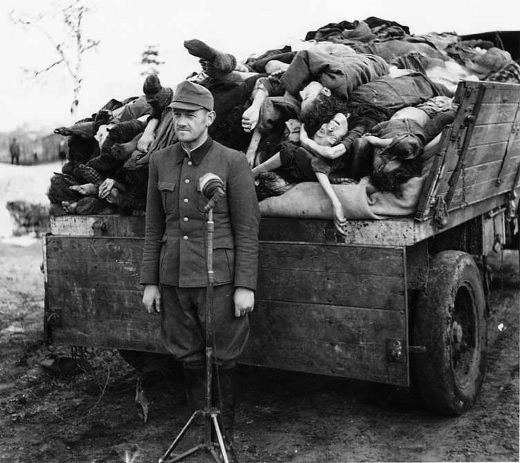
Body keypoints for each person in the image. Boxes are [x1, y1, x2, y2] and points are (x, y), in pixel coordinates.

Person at [140, 80, 260, 443]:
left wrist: (244, 286)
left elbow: (247, 229)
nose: (181, 121)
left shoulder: (232, 161)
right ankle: (201, 432)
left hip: (220, 281)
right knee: (187, 354)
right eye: (176, 114)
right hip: (174, 277)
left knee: (223, 356)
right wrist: (150, 281)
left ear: (209, 117)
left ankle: (225, 436)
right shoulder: (160, 161)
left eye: (190, 115)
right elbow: (153, 226)